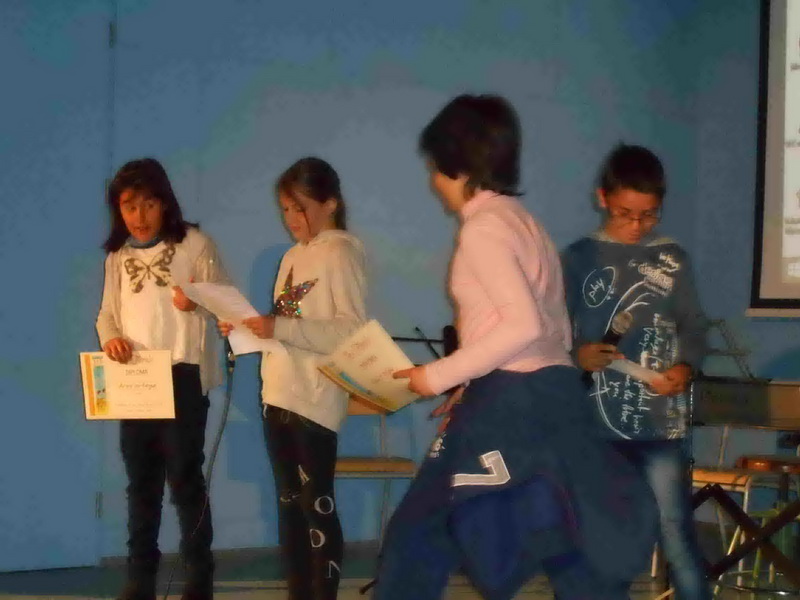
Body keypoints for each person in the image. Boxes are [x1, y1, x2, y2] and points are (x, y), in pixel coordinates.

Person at [375, 95, 658, 600]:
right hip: (554, 393)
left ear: (458, 165)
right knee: (567, 532)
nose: (433, 181)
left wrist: (434, 377)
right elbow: (553, 330)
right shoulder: (525, 223)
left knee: (418, 535)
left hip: (513, 398)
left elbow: (522, 325)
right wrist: (472, 383)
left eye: (435, 168)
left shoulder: (484, 229)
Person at [561, 143, 710, 600]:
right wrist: (577, 356)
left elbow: (694, 326)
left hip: (659, 424)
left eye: (649, 215)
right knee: (599, 537)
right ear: (602, 198)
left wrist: (686, 365)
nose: (636, 225)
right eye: (625, 213)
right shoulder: (578, 257)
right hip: (593, 426)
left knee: (675, 530)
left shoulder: (672, 259)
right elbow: (551, 334)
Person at [219, 157, 367, 600]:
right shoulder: (291, 257)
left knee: (316, 505)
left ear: (330, 203)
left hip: (314, 397)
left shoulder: (341, 252)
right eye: (285, 209)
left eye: (300, 208)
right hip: (278, 392)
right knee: (289, 509)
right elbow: (285, 327)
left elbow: (351, 330)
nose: (291, 219)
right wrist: (246, 329)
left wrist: (277, 327)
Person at [97, 157, 227, 600]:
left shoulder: (195, 244)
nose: (139, 216)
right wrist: (112, 339)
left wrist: (198, 301)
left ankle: (199, 576)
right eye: (129, 206)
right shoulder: (117, 256)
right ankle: (140, 578)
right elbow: (106, 316)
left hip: (182, 374)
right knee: (141, 482)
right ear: (118, 209)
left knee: (186, 479)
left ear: (165, 203)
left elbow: (225, 302)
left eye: (149, 204)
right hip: (136, 379)